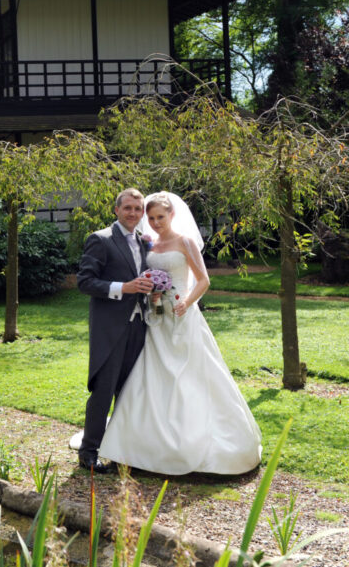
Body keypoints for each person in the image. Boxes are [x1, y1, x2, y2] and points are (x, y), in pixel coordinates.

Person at [98, 191, 262, 475]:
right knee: (152, 375)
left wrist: (186, 302)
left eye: (160, 216)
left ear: (172, 215)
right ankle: (142, 444)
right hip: (157, 318)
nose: (156, 222)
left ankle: (195, 441)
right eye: (151, 218)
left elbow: (203, 280)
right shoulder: (148, 244)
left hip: (182, 316)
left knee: (191, 375)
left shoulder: (185, 242)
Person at [75, 188, 155, 473]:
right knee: (104, 390)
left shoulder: (145, 242)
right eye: (128, 208)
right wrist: (124, 288)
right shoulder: (100, 239)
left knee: (129, 390)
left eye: (138, 208)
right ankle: (89, 452)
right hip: (110, 328)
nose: (133, 213)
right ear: (117, 210)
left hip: (139, 324)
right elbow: (85, 282)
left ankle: (122, 450)